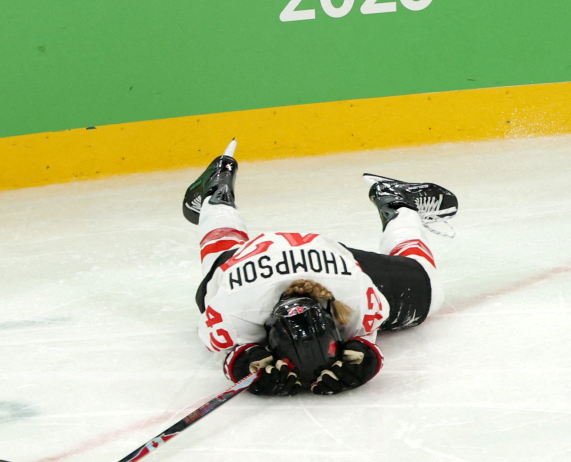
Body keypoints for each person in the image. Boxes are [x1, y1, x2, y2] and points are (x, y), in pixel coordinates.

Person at [183, 142, 458, 395]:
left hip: (335, 264)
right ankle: (214, 194)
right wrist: (246, 359)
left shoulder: (353, 295)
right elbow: (222, 344)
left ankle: (397, 202)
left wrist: (363, 353)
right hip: (260, 267)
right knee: (222, 271)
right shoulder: (235, 307)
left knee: (428, 292)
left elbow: (363, 332)